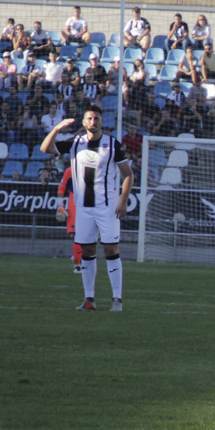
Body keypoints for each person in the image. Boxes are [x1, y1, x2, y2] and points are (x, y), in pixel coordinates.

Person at [40, 105, 134, 312]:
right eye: (89, 119)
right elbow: (45, 148)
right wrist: (56, 129)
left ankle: (117, 300)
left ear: (102, 121)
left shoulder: (112, 145)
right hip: (83, 208)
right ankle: (89, 299)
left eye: (96, 118)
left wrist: (123, 200)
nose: (93, 122)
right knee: (87, 250)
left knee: (111, 249)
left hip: (108, 207)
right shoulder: (76, 143)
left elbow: (128, 174)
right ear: (84, 122)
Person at [56, 165, 84, 273]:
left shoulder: (94, 168)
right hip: (75, 206)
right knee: (77, 235)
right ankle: (77, 265)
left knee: (87, 237)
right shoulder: (70, 170)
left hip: (90, 206)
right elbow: (61, 187)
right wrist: (60, 206)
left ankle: (79, 256)